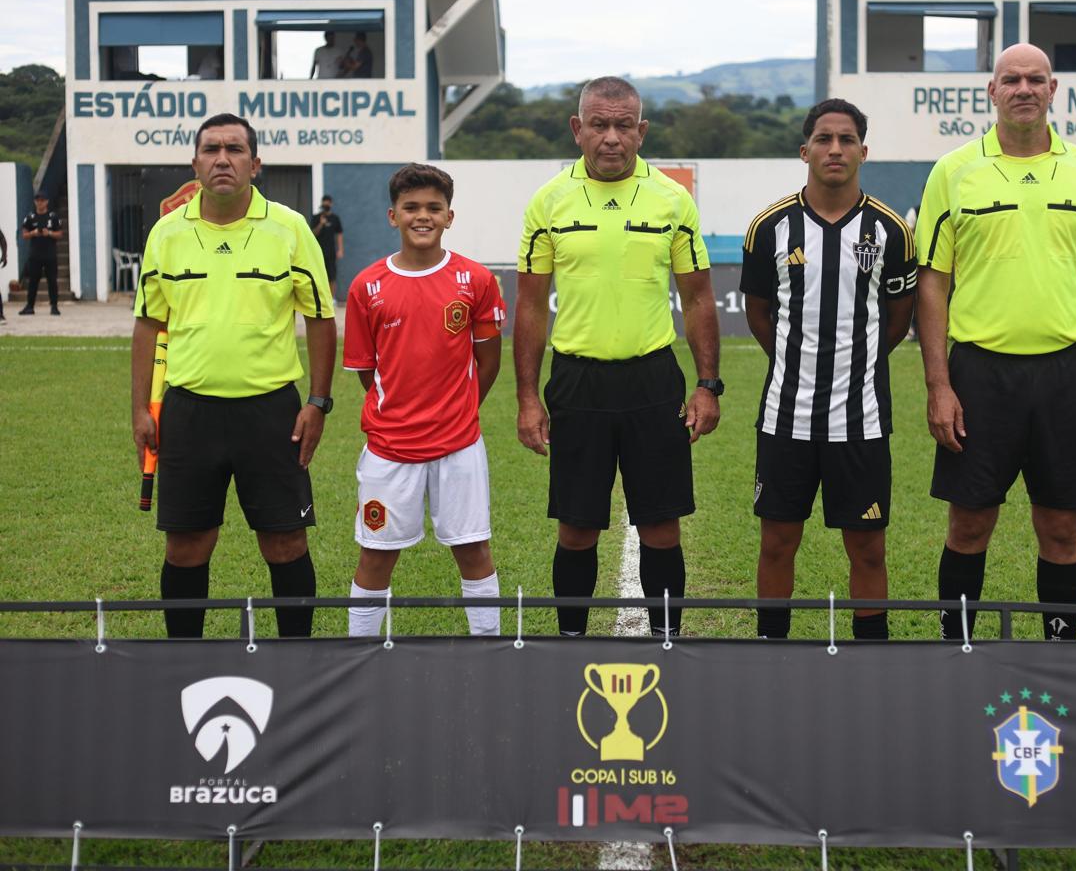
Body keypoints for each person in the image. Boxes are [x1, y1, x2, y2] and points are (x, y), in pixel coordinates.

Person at [914, 43, 1076, 642]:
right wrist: (938, 385)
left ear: (1053, 89)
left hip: (1066, 375)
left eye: (1036, 79)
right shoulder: (954, 171)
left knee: (1062, 529)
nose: (1024, 89)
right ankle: (956, 649)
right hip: (979, 376)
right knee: (969, 525)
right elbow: (932, 284)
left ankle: (1059, 658)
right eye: (1010, 79)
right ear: (992, 91)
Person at [515, 76, 722, 639]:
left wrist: (707, 385)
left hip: (653, 381)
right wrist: (528, 398)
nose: (612, 137)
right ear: (577, 129)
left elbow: (698, 298)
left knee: (661, 528)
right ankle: (571, 644)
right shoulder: (548, 201)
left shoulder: (672, 199)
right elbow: (530, 306)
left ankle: (666, 644)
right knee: (576, 529)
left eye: (624, 125)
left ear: (641, 131)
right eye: (599, 124)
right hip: (576, 383)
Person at [130, 112, 337, 639]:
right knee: (186, 546)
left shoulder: (290, 229)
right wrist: (140, 410)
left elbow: (319, 318)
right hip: (189, 411)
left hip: (271, 412)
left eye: (235, 149)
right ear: (195, 163)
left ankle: (296, 661)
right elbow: (148, 323)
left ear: (255, 163)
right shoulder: (166, 234)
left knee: (285, 542)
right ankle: (185, 663)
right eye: (211, 149)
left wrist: (318, 401)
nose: (222, 159)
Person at [741, 99, 916, 641]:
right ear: (805, 151)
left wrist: (856, 363)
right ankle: (771, 648)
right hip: (785, 417)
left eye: (846, 139)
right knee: (777, 543)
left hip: (861, 420)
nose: (835, 149)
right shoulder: (769, 227)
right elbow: (759, 314)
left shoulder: (890, 230)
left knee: (868, 547)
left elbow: (898, 319)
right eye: (824, 139)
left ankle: (871, 655)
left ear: (864, 151)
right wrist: (796, 361)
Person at [343, 164, 507, 638]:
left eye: (434, 208)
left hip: (459, 445)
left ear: (449, 217)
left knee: (473, 549)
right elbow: (368, 372)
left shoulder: (475, 279)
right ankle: (359, 656)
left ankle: (489, 652)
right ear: (392, 215)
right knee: (376, 555)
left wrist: (457, 410)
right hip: (389, 448)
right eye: (411, 207)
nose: (423, 216)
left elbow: (488, 362)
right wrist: (401, 409)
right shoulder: (366, 286)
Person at [19, 192, 62, 316]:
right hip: (35, 255)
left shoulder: (53, 217)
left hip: (50, 254)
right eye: (38, 200)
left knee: (52, 281)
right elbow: (24, 234)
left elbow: (60, 234)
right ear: (35, 202)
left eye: (42, 200)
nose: (40, 203)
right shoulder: (30, 217)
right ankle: (30, 306)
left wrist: (49, 233)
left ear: (47, 202)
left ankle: (54, 306)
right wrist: (33, 233)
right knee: (33, 281)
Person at [310, 194, 344, 298]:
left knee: (332, 276)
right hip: (318, 252)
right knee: (318, 275)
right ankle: (320, 297)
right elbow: (312, 234)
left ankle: (331, 299)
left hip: (331, 252)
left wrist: (340, 249)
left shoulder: (335, 218)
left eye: (327, 204)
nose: (326, 206)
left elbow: (339, 234)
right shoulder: (316, 217)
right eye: (324, 204)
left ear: (331, 204)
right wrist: (321, 224)